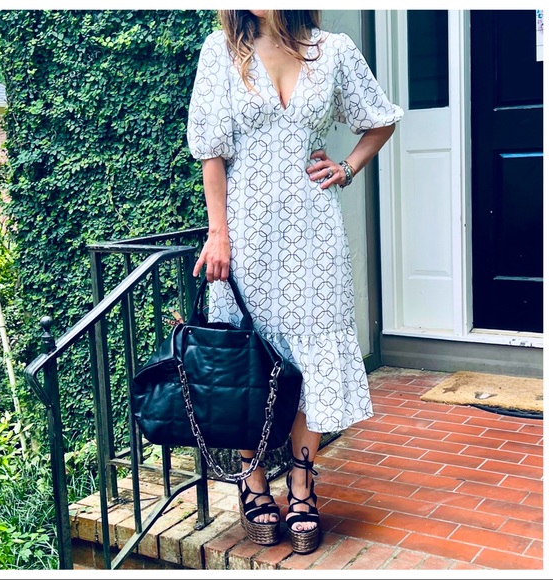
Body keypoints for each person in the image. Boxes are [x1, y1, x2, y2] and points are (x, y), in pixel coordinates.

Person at [186, 9, 403, 554]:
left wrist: (346, 167)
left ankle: (303, 487)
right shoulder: (221, 51)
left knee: (313, 356)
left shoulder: (333, 50)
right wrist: (218, 234)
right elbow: (211, 152)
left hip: (314, 233)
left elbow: (380, 119)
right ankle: (253, 482)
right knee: (248, 359)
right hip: (246, 235)